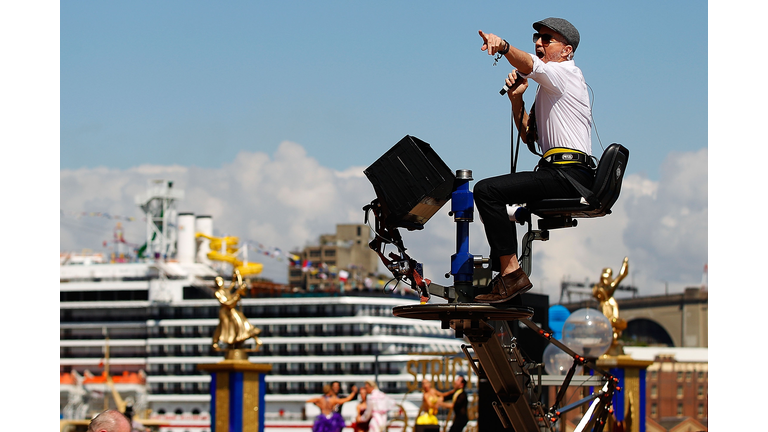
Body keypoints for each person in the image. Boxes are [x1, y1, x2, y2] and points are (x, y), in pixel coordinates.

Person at [473, 17, 593, 304]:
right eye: (536, 38)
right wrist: (517, 100)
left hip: (568, 173)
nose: (539, 43)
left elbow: (528, 64)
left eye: (546, 39)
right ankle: (505, 274)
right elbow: (529, 138)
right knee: (492, 195)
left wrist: (502, 46)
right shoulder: (548, 87)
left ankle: (511, 275)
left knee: (486, 191)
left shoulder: (566, 73)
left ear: (566, 51)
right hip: (558, 172)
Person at [211, 269, 262, 350]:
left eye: (220, 280)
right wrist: (237, 294)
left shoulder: (226, 290)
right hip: (225, 312)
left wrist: (235, 276)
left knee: (240, 322)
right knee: (224, 327)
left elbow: (232, 285)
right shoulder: (218, 293)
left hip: (231, 311)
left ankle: (241, 338)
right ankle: (218, 342)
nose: (220, 282)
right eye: (217, 281)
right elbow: (227, 304)